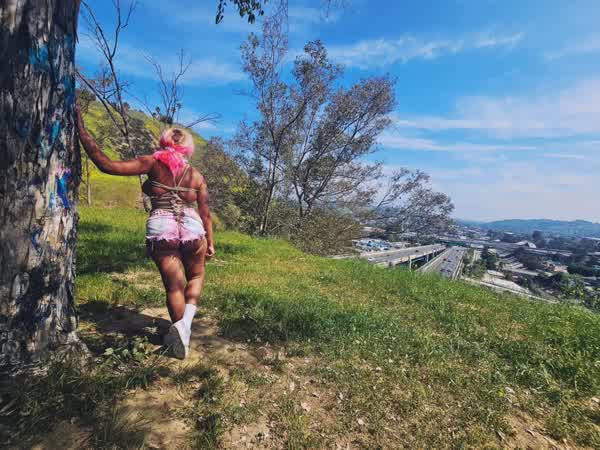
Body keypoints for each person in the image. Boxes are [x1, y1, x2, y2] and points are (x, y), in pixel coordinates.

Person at [76, 104, 215, 359]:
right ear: (188, 148)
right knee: (196, 276)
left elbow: (107, 165)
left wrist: (82, 132)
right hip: (193, 227)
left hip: (162, 226)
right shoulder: (196, 176)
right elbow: (205, 213)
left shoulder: (152, 162)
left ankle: (182, 335)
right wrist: (211, 241)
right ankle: (185, 324)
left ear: (164, 142)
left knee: (174, 287)